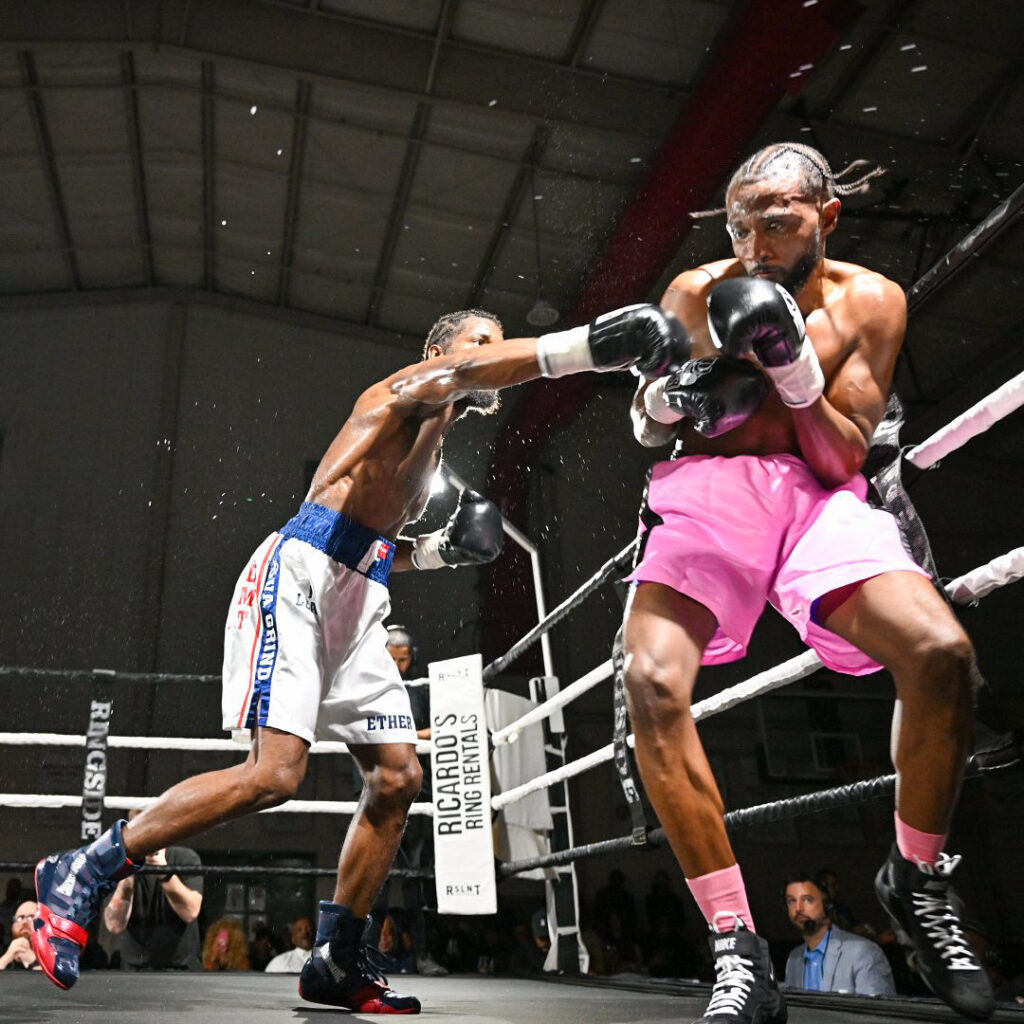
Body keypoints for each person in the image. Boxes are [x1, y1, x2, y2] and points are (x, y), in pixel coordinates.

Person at [30, 302, 686, 1014]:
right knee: (275, 774)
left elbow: (374, 544)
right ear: (441, 348)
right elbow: (456, 379)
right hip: (300, 579)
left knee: (399, 778)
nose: (496, 352)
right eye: (482, 341)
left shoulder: (435, 440)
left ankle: (336, 959)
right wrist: (582, 347)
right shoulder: (400, 390)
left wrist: (438, 552)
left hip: (358, 596)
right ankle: (84, 867)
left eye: (502, 344)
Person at [622, 142, 994, 1023]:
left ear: (827, 216)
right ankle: (737, 947)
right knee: (649, 682)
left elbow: (842, 454)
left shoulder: (872, 301)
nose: (754, 239)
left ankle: (915, 877)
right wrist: (678, 399)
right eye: (741, 220)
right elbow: (644, 425)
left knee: (942, 656)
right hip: (711, 502)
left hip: (821, 500)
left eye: (777, 216)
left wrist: (789, 367)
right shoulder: (693, 291)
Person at [102, 812, 203, 972]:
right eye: (141, 830)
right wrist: (126, 878)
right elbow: (114, 925)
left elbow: (190, 912)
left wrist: (164, 871)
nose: (148, 837)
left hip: (182, 967)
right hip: (135, 968)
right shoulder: (118, 863)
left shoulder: (185, 858)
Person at [782, 872, 894, 996]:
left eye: (808, 899)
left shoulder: (863, 953)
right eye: (791, 901)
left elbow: (877, 1013)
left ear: (827, 907)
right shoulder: (794, 958)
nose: (798, 908)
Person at [0, 900, 40, 970]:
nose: (24, 922)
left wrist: (33, 961)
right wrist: (5, 959)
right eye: (20, 918)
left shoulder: (51, 953)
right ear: (12, 927)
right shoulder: (2, 950)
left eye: (31, 917)